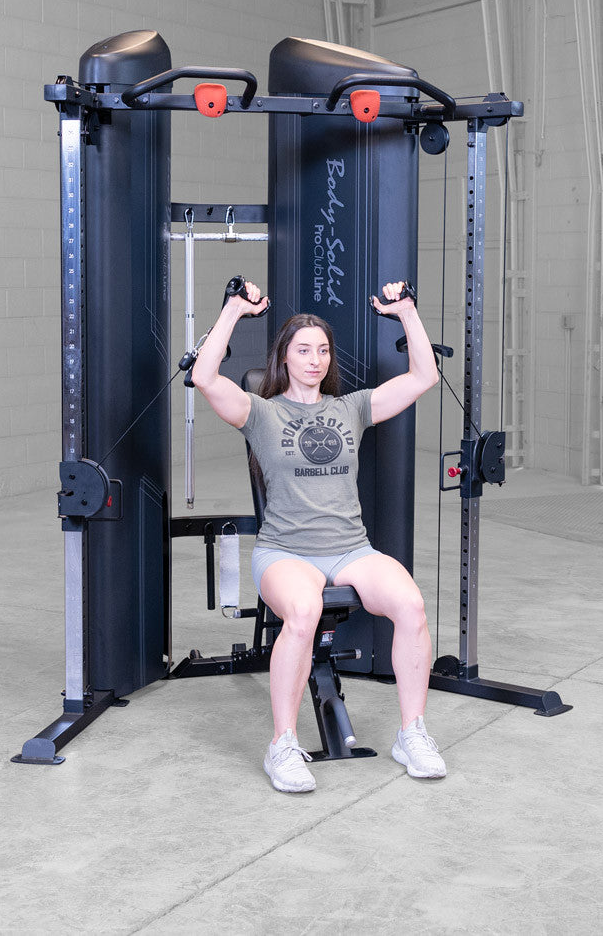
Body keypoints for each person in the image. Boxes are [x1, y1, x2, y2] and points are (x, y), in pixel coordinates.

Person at [191, 279, 446, 794]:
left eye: (323, 350)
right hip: (285, 551)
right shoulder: (260, 413)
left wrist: (407, 313)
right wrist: (234, 310)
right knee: (304, 612)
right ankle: (283, 744)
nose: (314, 360)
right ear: (284, 357)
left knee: (411, 605)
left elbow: (424, 375)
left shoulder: (351, 408)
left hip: (351, 548)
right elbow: (203, 376)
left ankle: (412, 733)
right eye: (303, 350)